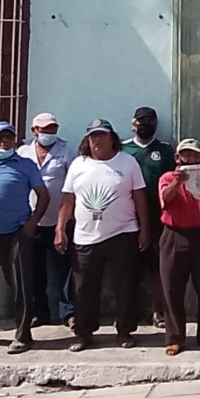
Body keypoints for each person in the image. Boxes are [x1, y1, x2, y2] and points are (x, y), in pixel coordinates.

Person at [56, 119, 149, 351]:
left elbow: (140, 199)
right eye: (93, 136)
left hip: (123, 233)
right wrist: (60, 229)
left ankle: (125, 331)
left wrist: (144, 230)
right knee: (83, 288)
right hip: (85, 237)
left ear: (112, 138)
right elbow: (68, 200)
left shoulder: (128, 163)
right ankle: (84, 333)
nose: (97, 140)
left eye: (102, 135)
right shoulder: (78, 164)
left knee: (126, 286)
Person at [0, 121, 50, 353]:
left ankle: (22, 335)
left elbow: (43, 196)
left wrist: (32, 223)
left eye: (9, 137)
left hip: (15, 233)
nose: (4, 141)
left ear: (16, 140)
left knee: (21, 286)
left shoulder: (26, 165)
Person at [156, 139, 200, 355]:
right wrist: (178, 182)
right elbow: (165, 199)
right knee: (172, 289)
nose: (190, 159)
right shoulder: (167, 177)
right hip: (175, 235)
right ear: (178, 158)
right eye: (186, 155)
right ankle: (175, 338)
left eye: (194, 155)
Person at [21, 112, 77, 328]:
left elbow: (72, 186)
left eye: (52, 128)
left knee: (65, 270)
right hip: (31, 221)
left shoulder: (67, 150)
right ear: (34, 131)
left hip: (61, 221)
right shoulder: (23, 152)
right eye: (44, 129)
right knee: (35, 270)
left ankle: (68, 312)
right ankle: (39, 312)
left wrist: (63, 225)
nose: (49, 133)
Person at [122, 106, 176, 329]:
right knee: (127, 269)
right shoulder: (123, 149)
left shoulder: (164, 150)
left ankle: (158, 311)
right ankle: (128, 314)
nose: (146, 124)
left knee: (158, 268)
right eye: (141, 120)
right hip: (126, 218)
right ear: (134, 123)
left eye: (150, 120)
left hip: (157, 218)